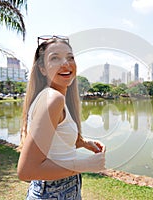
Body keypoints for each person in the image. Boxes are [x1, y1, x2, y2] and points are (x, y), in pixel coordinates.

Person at [17, 35, 106, 200]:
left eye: (70, 57)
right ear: (42, 69)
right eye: (55, 58)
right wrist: (86, 164)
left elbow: (52, 139)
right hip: (54, 192)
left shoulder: (49, 97)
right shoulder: (53, 99)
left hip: (56, 189)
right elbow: (26, 171)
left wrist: (83, 143)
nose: (66, 63)